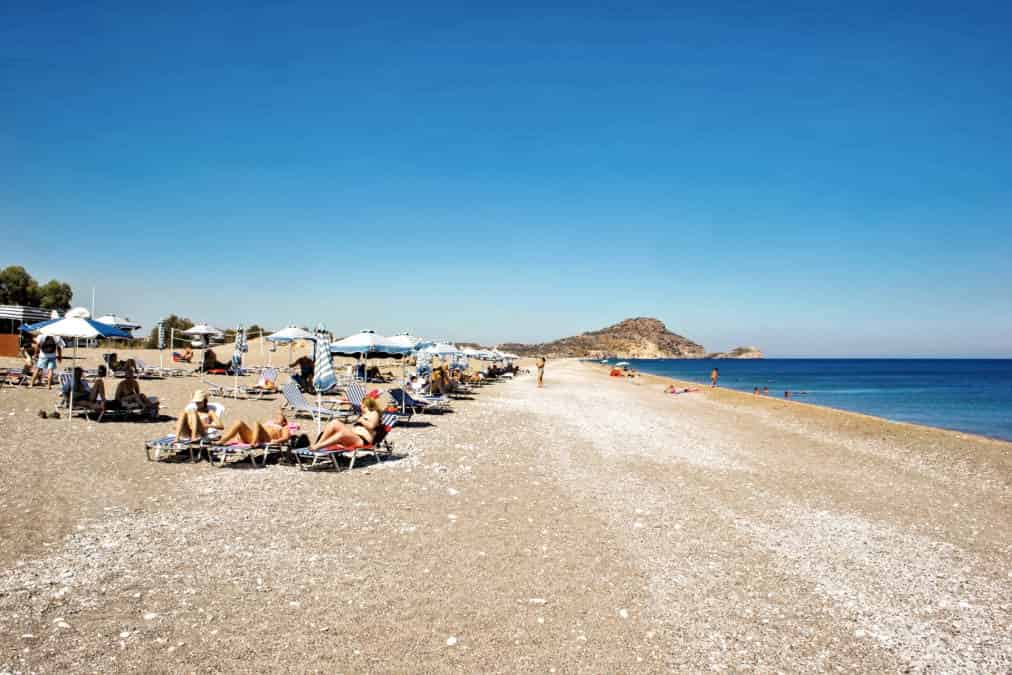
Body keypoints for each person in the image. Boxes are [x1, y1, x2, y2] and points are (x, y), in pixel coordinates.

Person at [311, 395, 383, 450]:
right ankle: (319, 443)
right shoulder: (362, 414)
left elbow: (371, 426)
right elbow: (354, 403)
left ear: (364, 405)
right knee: (334, 422)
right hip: (353, 437)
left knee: (342, 433)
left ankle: (319, 446)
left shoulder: (374, 413)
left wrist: (361, 420)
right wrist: (345, 402)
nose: (360, 405)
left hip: (362, 440)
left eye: (361, 404)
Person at [219, 409, 292, 446]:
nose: (275, 419)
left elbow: (285, 437)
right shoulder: (268, 424)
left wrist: (277, 441)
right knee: (238, 422)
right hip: (253, 437)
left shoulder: (283, 427)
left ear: (284, 422)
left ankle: (253, 443)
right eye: (275, 418)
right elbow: (255, 430)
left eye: (278, 418)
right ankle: (222, 441)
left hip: (266, 439)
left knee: (256, 423)